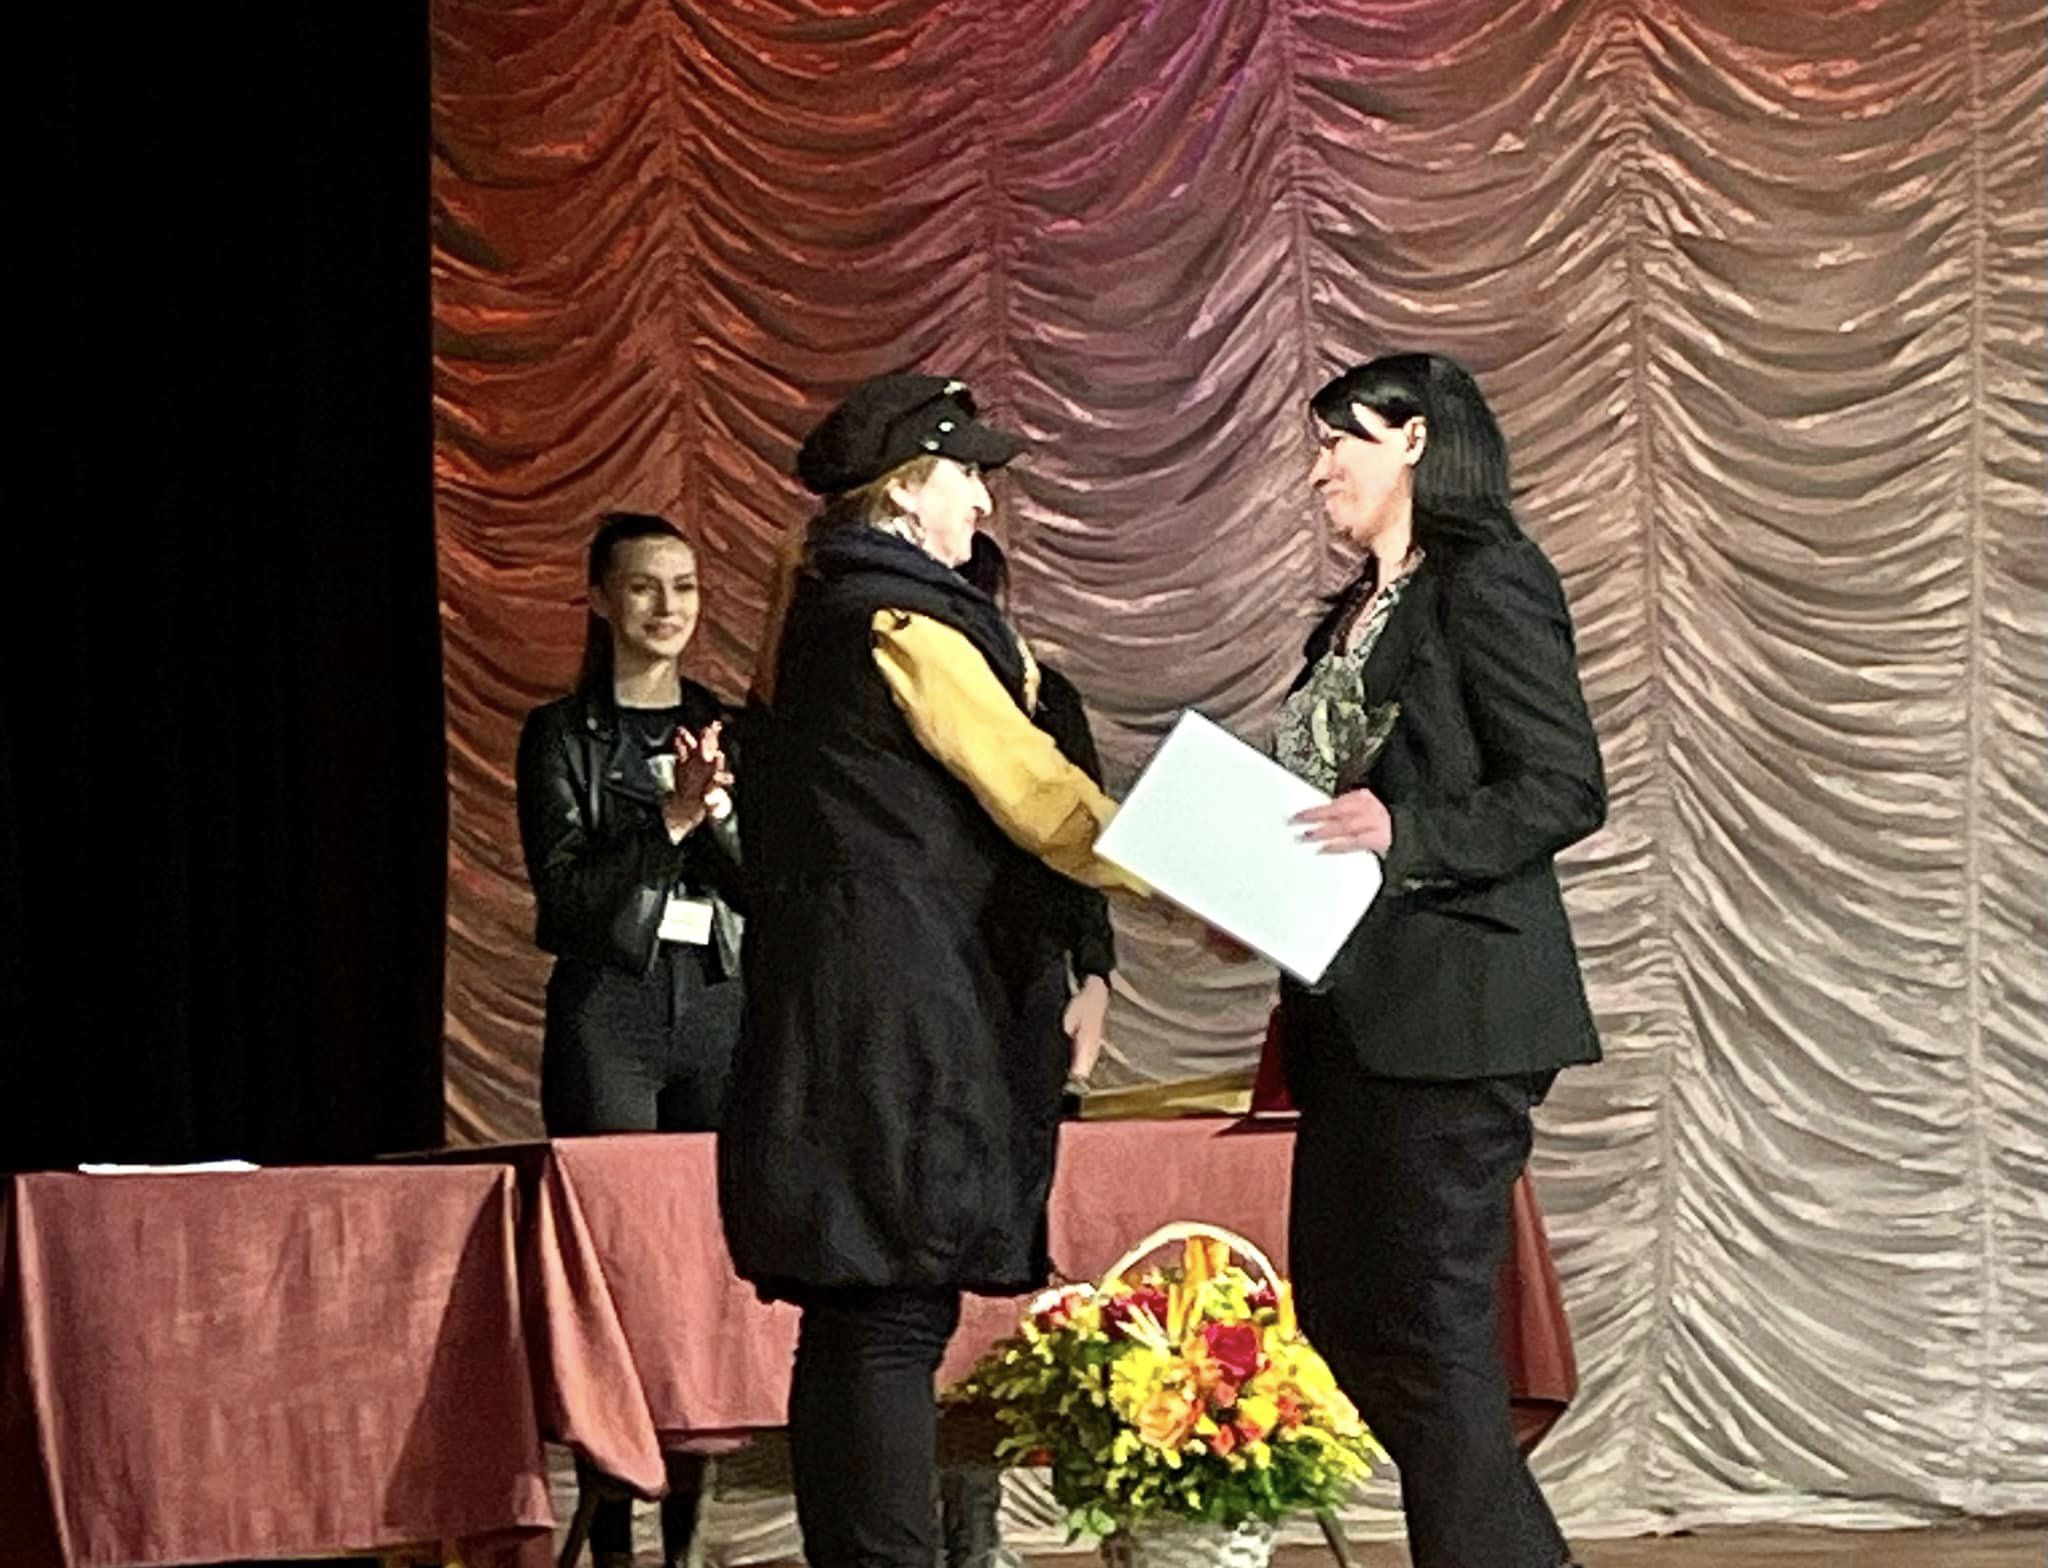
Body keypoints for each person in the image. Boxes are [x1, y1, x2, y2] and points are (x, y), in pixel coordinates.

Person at [718, 373, 1143, 1568]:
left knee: (858, 1315)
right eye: (966, 476)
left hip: (842, 1007)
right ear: (906, 490)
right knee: (890, 1315)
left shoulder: (815, 609)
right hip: (894, 1015)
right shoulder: (899, 624)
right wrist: (1200, 879)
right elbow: (1039, 796)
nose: (982, 504)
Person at [1274, 353, 1602, 1568]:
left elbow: (1562, 784)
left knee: (1427, 1328)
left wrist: (1403, 833)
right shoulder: (1349, 613)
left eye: (1339, 441)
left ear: (1413, 439)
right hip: (1349, 1014)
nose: (1319, 468)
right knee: (1349, 1313)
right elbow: (1323, 804)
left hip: (1456, 1011)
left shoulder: (1487, 577)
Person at [515, 510, 744, 1568]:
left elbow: (769, 882)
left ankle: (687, 1535)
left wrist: (720, 811)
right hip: (611, 1016)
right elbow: (565, 904)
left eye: (684, 587)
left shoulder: (727, 727)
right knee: (616, 1268)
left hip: (719, 1007)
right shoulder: (562, 734)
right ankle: (610, 1527)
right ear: (601, 601)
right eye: (645, 587)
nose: (668, 607)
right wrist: (671, 821)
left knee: (701, 1267)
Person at [939, 532, 1118, 1568]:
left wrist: (1095, 976)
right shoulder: (904, 695)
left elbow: (1083, 846)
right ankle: (958, 1519)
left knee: (1030, 1245)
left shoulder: (1048, 698)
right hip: (932, 992)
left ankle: (1026, 1514)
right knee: (943, 1255)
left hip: (1031, 988)